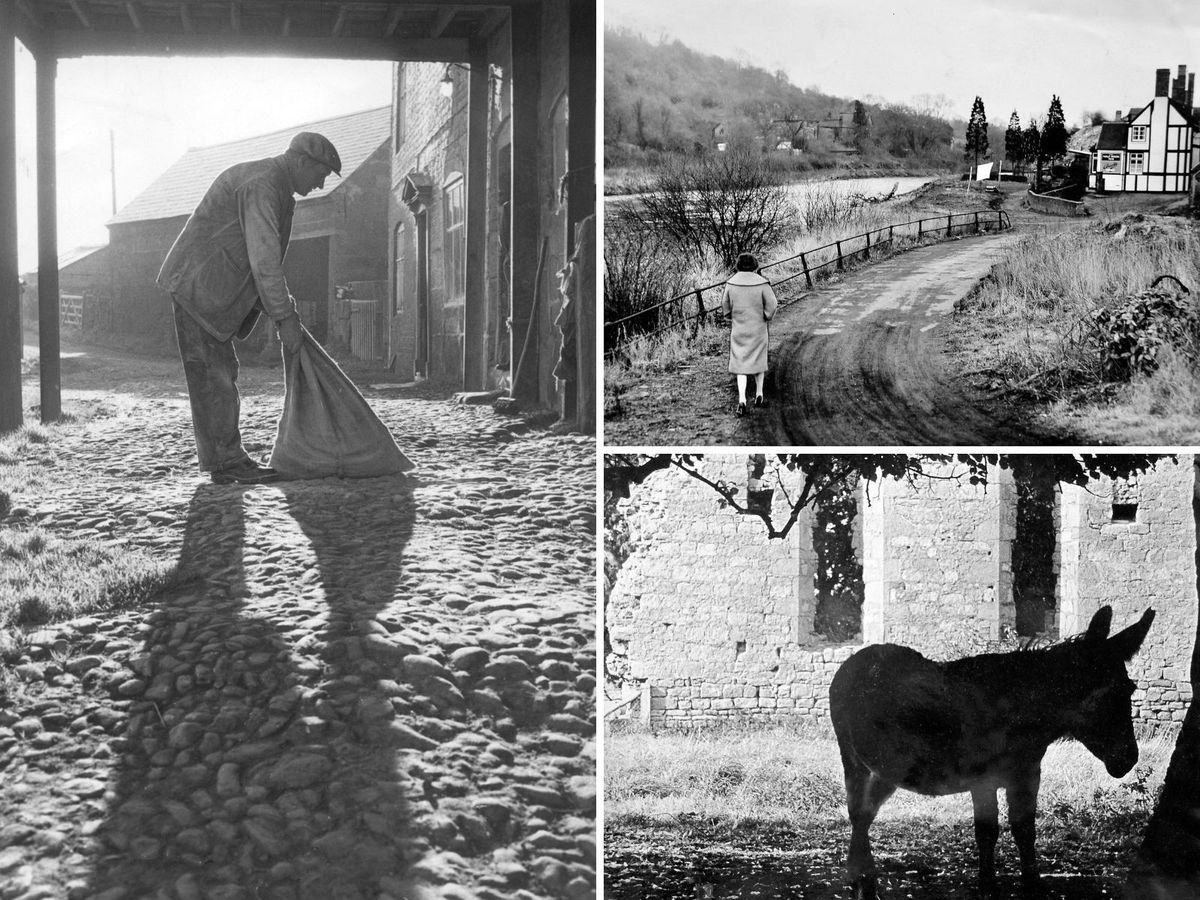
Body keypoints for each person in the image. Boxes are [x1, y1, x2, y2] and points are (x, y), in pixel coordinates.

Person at [157, 131, 340, 484]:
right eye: (320, 174)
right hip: (197, 285)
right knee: (213, 376)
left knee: (220, 371)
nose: (320, 185)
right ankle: (226, 463)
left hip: (209, 287)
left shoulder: (277, 188)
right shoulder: (262, 184)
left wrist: (282, 312)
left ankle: (225, 459)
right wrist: (284, 316)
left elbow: (259, 258)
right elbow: (263, 259)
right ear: (302, 162)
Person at [721, 252, 778, 416]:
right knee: (758, 361)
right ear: (755, 265)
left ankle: (742, 401)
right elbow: (772, 304)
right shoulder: (762, 284)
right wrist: (766, 316)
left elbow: (725, 306)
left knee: (741, 365)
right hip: (758, 329)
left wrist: (731, 317)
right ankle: (759, 395)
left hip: (739, 330)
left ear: (738, 265)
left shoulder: (731, 284)